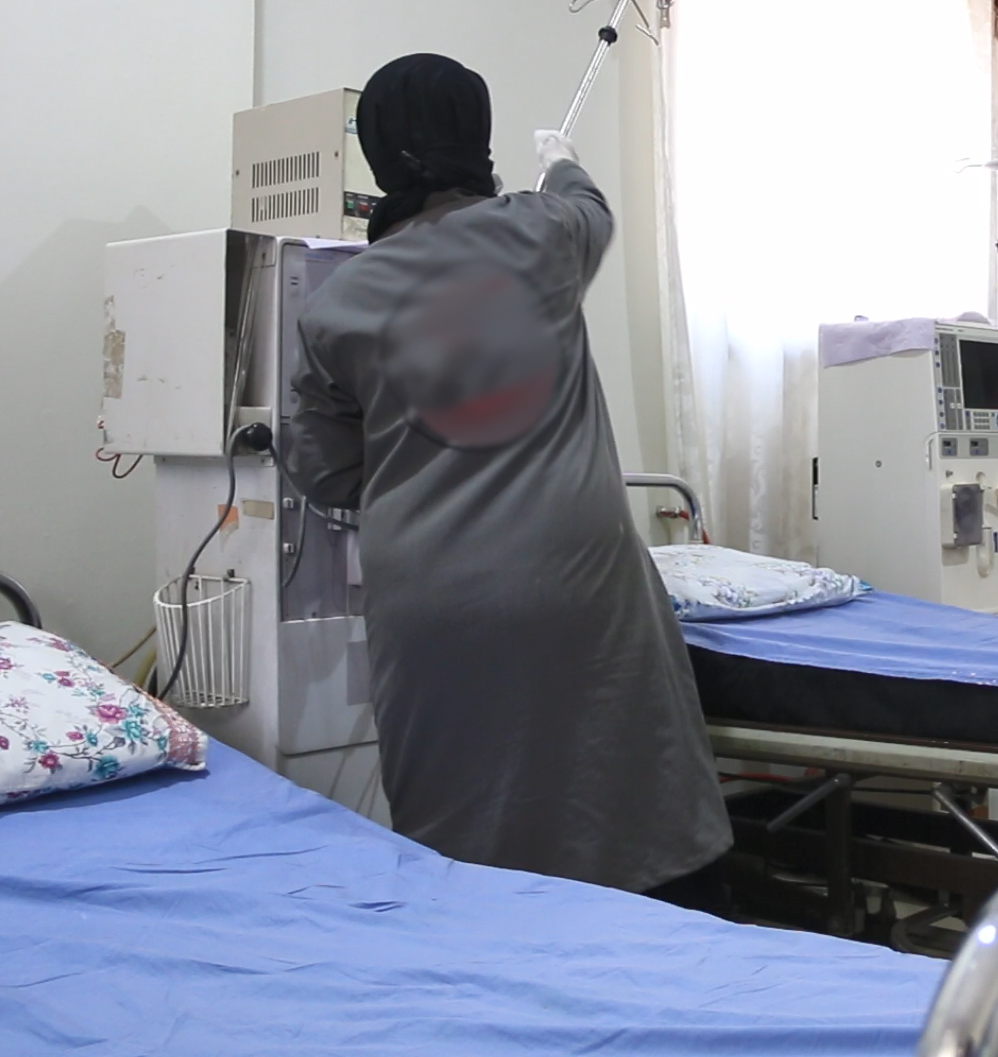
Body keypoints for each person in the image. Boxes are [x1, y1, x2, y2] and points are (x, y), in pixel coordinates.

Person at [283, 53, 732, 914]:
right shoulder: (540, 233)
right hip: (572, 581)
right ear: (476, 136)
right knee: (636, 806)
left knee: (464, 833)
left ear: (376, 155)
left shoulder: (336, 304)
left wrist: (422, 461)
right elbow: (593, 207)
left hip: (429, 605)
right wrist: (560, 158)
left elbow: (326, 470)